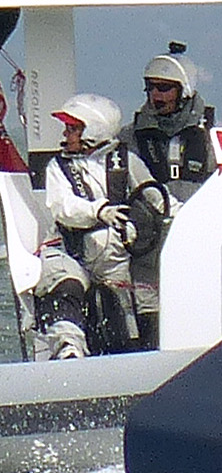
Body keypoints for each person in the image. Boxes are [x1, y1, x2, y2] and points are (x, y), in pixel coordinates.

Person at [37, 93, 161, 355]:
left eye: (73, 128)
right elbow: (63, 206)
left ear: (93, 131)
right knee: (66, 285)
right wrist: (99, 211)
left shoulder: (126, 161)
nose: (66, 134)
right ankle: (68, 350)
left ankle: (126, 355)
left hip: (115, 261)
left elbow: (156, 198)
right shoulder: (58, 167)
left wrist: (185, 216)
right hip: (70, 251)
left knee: (122, 313)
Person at [131, 47, 216, 201]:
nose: (155, 94)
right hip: (149, 213)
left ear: (183, 91)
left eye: (164, 88)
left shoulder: (211, 137)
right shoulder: (132, 136)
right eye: (150, 87)